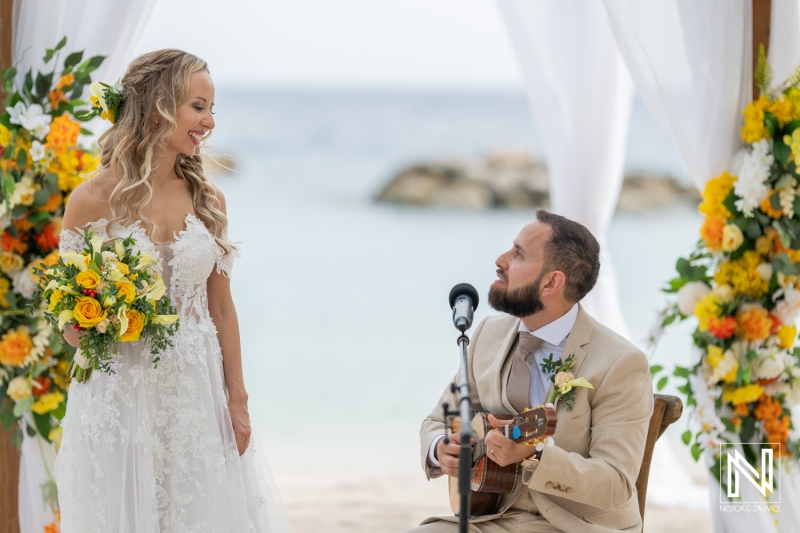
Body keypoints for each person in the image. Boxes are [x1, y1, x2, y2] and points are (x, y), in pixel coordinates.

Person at [55, 49, 291, 532]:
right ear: (159, 105)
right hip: (119, 393)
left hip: (195, 393)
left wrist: (238, 400)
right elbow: (66, 319)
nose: (208, 122)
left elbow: (222, 309)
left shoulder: (209, 199)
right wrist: (92, 325)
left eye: (211, 110)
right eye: (198, 106)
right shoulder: (90, 200)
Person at [406, 210, 653, 533]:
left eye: (518, 254)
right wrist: (440, 448)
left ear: (551, 282)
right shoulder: (487, 335)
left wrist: (535, 456)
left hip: (575, 526)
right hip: (492, 516)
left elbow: (615, 483)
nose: (500, 260)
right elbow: (437, 419)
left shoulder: (620, 363)